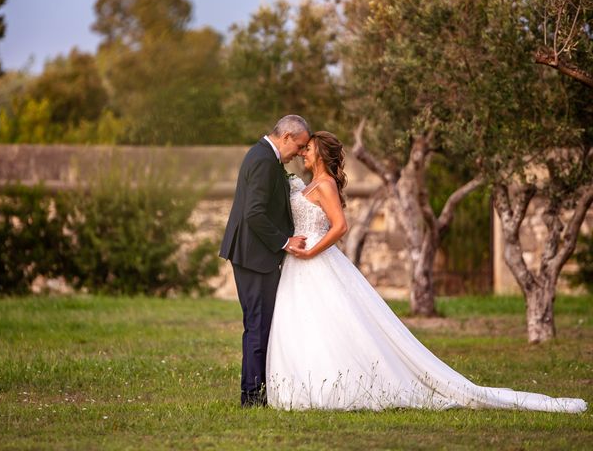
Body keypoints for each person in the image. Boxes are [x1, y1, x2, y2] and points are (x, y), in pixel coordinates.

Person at [266, 131, 587, 413]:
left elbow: (340, 227)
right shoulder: (307, 184)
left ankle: (334, 386)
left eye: (307, 149)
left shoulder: (325, 185)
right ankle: (300, 385)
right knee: (308, 324)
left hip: (317, 260)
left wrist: (312, 250)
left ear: (320, 153)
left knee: (333, 324)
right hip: (297, 267)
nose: (303, 153)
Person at [220, 115, 311, 407]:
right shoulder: (262, 160)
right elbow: (254, 213)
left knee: (260, 324)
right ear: (286, 137)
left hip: (255, 254)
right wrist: (285, 242)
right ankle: (251, 397)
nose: (299, 152)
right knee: (258, 326)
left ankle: (258, 392)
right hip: (254, 257)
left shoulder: (265, 157)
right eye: (299, 145)